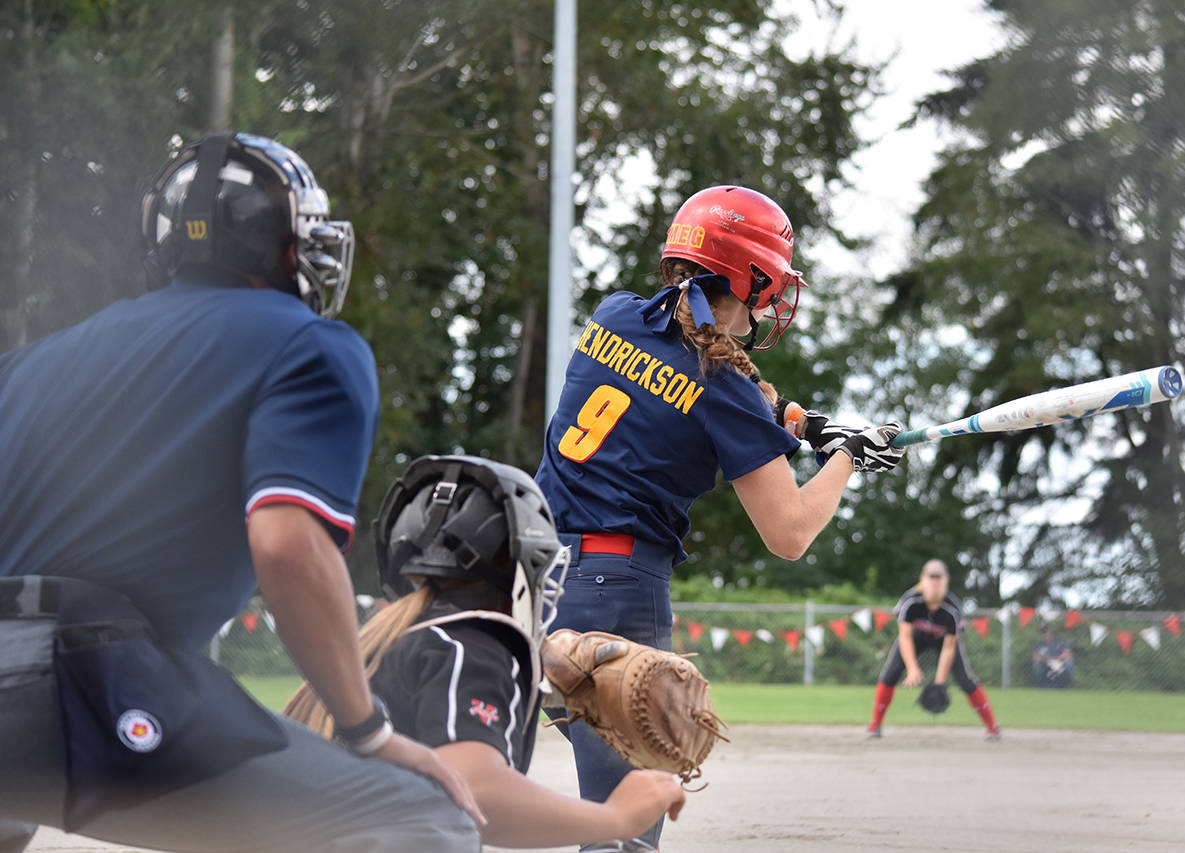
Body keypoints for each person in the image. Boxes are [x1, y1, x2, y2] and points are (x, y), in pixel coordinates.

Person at [0, 132, 483, 853]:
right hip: (83, 681)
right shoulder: (311, 343)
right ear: (289, 246)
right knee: (418, 818)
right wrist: (365, 726)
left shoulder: (28, 363)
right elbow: (287, 545)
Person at [535, 184, 906, 852]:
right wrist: (847, 457)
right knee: (625, 829)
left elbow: (705, 381)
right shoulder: (724, 388)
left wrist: (804, 423)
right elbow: (789, 532)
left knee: (507, 792)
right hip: (619, 593)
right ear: (749, 277)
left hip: (534, 577)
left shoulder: (616, 315)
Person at [285, 454, 687, 849]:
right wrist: (614, 818)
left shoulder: (383, 644)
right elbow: (479, 794)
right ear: (519, 569)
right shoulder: (475, 643)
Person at [866, 559, 1002, 740]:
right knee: (889, 674)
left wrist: (939, 681)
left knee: (966, 679)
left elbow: (949, 647)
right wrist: (913, 668)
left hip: (943, 642)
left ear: (946, 580)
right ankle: (875, 725)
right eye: (931, 577)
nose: (935, 582)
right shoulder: (911, 601)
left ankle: (992, 727)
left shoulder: (952, 608)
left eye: (939, 577)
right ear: (922, 579)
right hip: (914, 639)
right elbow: (905, 637)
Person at [1033, 623, 1075, 688]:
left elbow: (1067, 653)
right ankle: (1043, 685)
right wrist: (1048, 661)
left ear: (1050, 631)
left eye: (1045, 631)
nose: (1044, 634)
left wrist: (1056, 660)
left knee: (1068, 662)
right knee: (1037, 662)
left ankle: (1065, 685)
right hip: (1046, 663)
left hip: (1060, 662)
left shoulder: (1059, 641)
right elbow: (1036, 656)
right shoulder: (1040, 644)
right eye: (1042, 632)